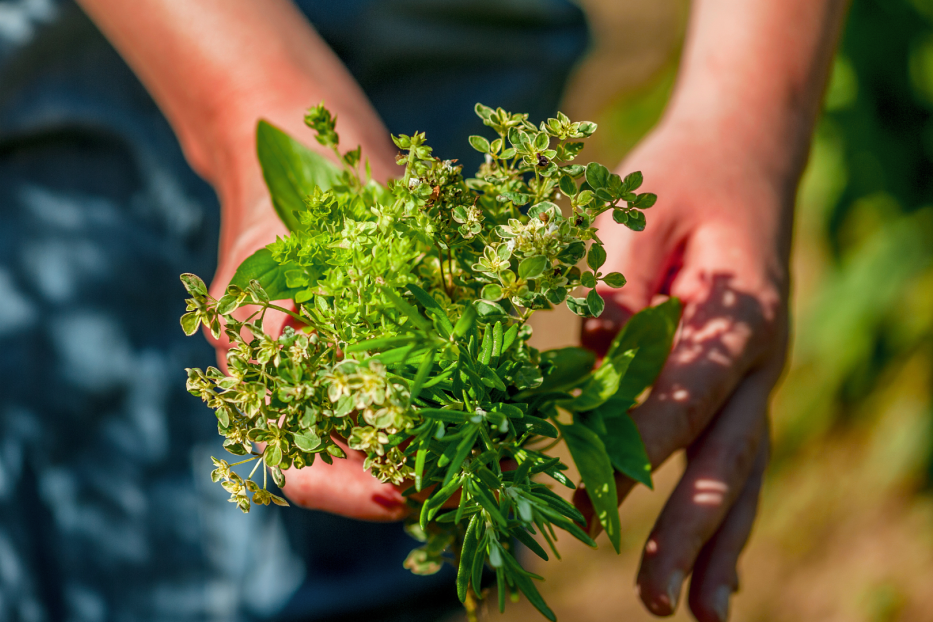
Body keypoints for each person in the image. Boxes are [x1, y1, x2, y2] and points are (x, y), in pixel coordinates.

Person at [0, 0, 847, 620]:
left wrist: (747, 115)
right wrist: (244, 100)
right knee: (117, 551)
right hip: (111, 58)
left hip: (469, 31)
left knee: (399, 525)